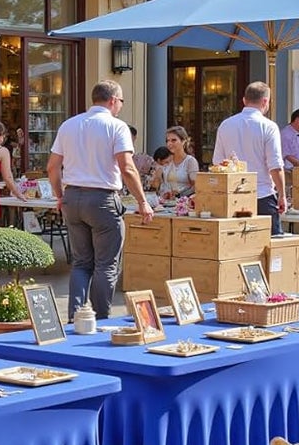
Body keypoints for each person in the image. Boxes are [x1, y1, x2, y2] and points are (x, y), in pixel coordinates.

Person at [48, 80, 153, 318]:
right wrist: (142, 201)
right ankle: (101, 318)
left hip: (73, 196)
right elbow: (127, 167)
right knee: (106, 264)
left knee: (81, 262)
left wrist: (60, 196)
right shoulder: (117, 126)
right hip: (102, 198)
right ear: (113, 100)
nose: (121, 107)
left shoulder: (69, 125)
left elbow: (52, 167)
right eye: (121, 102)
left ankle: (76, 316)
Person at [212, 81, 286, 234]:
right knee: (269, 247)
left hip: (233, 195)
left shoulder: (226, 125)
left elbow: (217, 163)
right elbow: (275, 166)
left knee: (238, 248)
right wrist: (282, 195)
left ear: (244, 100)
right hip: (262, 194)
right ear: (265, 101)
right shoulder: (269, 126)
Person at [159, 125, 199, 197]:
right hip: (165, 203)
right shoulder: (167, 160)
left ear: (183, 141)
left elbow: (196, 186)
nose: (169, 144)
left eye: (173, 140)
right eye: (167, 141)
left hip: (183, 203)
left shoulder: (190, 161)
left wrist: (180, 195)